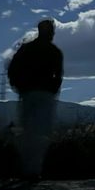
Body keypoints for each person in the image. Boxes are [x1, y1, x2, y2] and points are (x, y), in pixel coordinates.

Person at [7, 19, 63, 180]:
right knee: (40, 132)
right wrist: (52, 91)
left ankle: (26, 169)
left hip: (28, 94)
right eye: (51, 31)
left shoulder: (27, 49)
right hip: (43, 95)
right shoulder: (54, 51)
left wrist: (19, 86)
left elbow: (12, 69)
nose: (52, 34)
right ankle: (32, 170)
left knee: (28, 130)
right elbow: (58, 75)